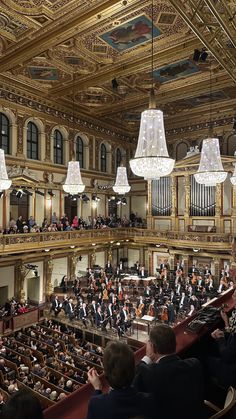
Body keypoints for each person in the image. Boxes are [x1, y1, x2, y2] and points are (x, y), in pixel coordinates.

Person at [133, 325, 206, 419]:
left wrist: (147, 358)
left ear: (153, 348)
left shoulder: (151, 374)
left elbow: (132, 385)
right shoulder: (194, 364)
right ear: (175, 344)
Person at [86, 341, 155, 419]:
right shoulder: (149, 401)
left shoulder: (97, 404)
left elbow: (99, 406)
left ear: (106, 373)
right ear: (133, 371)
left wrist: (97, 389)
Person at [206, 286, 236, 388]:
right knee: (210, 346)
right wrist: (226, 325)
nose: (232, 296)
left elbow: (227, 356)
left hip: (231, 371)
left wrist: (220, 338)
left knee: (201, 359)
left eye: (235, 295)